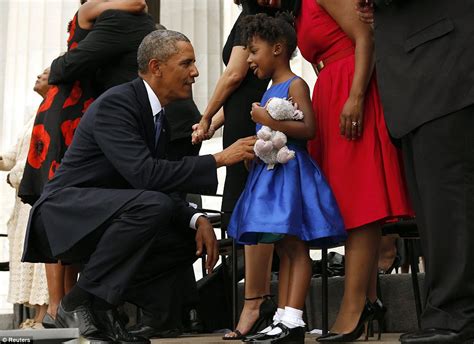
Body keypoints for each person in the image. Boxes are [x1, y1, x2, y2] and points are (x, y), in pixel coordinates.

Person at [21, 29, 256, 343]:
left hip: (105, 213)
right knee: (152, 206)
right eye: (186, 63)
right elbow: (146, 176)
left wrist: (194, 218)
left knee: (183, 238)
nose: (195, 72)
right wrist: (220, 159)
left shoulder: (157, 115)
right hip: (66, 214)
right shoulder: (117, 104)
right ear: (156, 67)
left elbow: (152, 182)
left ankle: (102, 305)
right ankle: (77, 301)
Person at [248, 0, 413, 341]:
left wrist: (356, 94)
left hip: (352, 86)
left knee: (361, 201)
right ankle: (367, 302)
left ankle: (354, 310)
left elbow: (365, 36)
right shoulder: (296, 10)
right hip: (330, 88)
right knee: (348, 202)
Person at [18, 0, 152, 328]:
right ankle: (56, 307)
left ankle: (67, 308)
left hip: (78, 108)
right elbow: (140, 3)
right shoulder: (94, 6)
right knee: (57, 208)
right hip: (68, 111)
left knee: (72, 213)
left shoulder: (101, 17)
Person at [356, 1, 474, 343]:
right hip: (422, 76)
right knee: (437, 208)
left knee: (449, 201)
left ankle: (458, 314)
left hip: (442, 67)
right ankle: (448, 311)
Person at [227, 13, 347, 343]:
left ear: (277, 49)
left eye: (254, 50)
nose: (249, 59)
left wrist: (267, 118)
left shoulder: (295, 84)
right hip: (271, 175)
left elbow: (308, 128)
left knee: (296, 247)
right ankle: (282, 318)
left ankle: (293, 320)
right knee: (284, 247)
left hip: (291, 175)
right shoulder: (269, 89)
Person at [192, 1, 287, 338]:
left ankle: (255, 302)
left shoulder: (252, 20)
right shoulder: (260, 18)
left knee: (252, 213)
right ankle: (256, 300)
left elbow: (234, 76)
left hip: (250, 126)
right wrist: (212, 124)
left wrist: (205, 116)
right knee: (246, 212)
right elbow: (237, 91)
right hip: (241, 121)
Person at [0, 68, 51, 329]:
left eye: (44, 74)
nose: (38, 76)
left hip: (36, 192)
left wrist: (13, 177)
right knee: (27, 259)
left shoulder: (51, 111)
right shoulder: (35, 112)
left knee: (41, 260)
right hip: (23, 200)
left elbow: (40, 157)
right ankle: (38, 316)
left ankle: (44, 317)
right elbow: (13, 155)